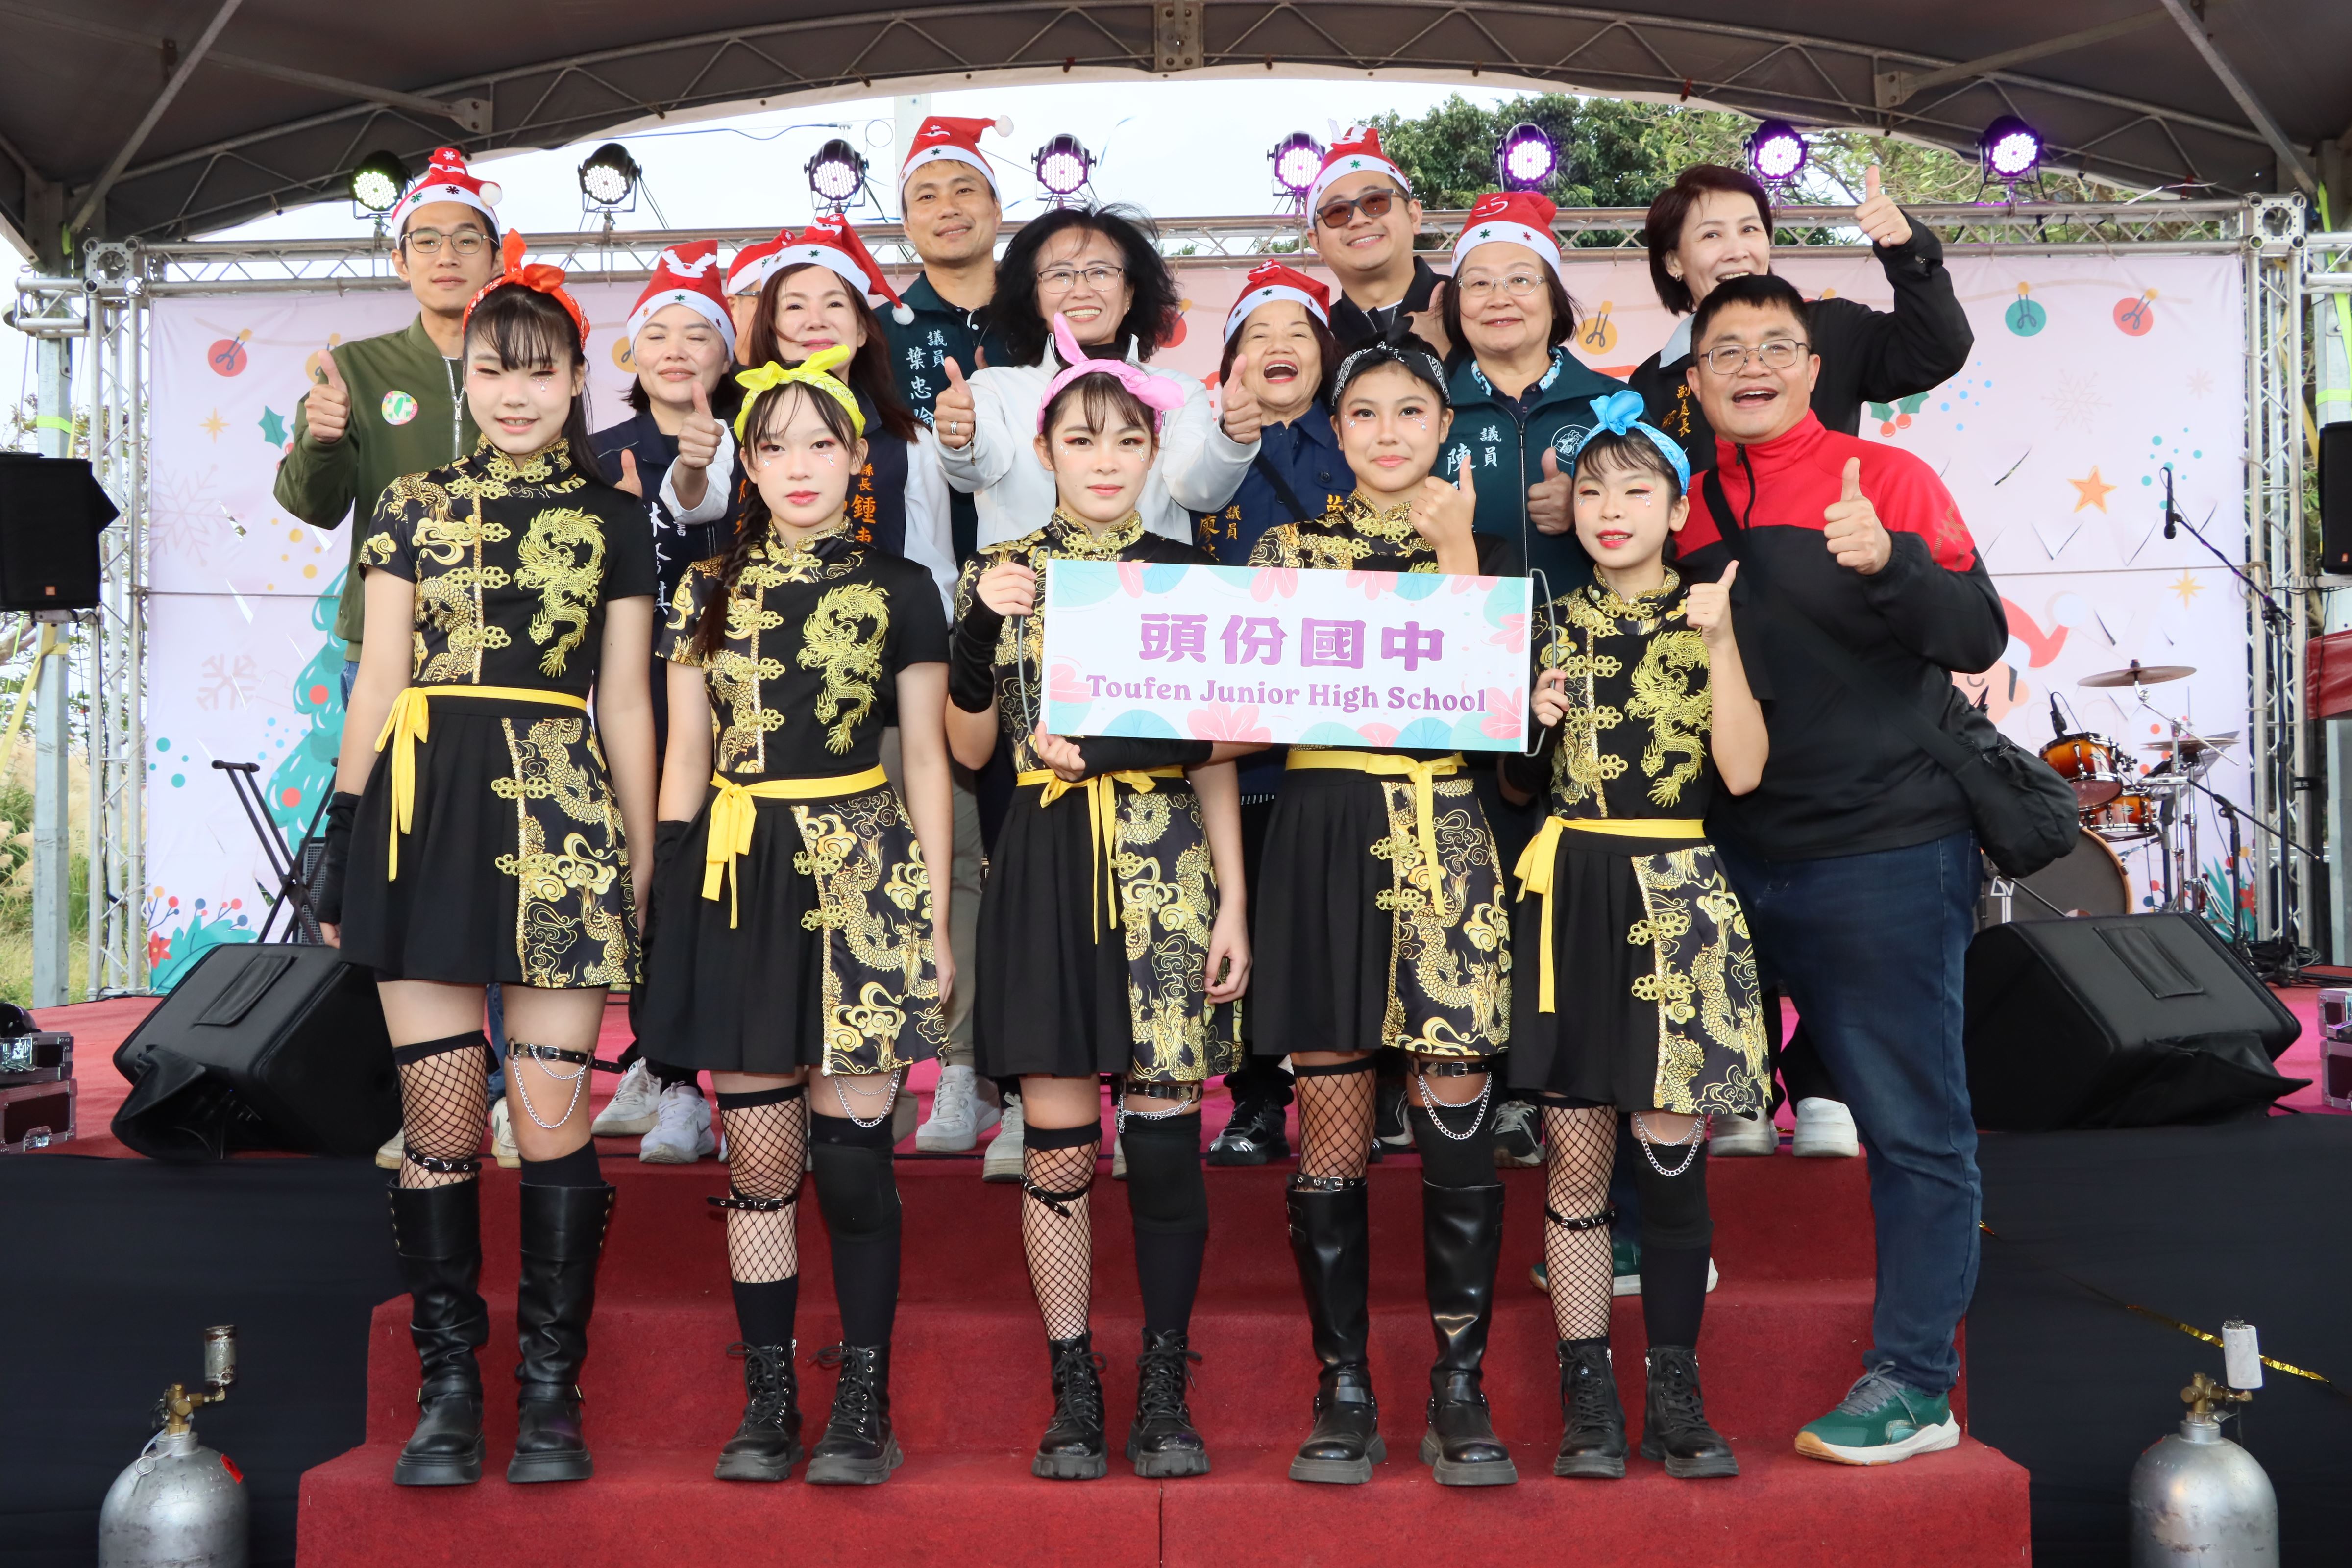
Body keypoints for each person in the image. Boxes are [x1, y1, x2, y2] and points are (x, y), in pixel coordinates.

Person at [310, 234, 658, 1487]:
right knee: (443, 1121)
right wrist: (341, 832)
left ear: (577, 381)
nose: (517, 392)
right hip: (419, 816)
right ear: (468, 376)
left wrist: (645, 859)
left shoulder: (617, 519)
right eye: (496, 369)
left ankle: (551, 1391)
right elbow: (377, 681)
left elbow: (628, 703)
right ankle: (448, 1388)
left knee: (553, 1118)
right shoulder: (411, 504)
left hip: (561, 819)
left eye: (541, 370)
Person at [1673, 272, 2003, 1465]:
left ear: (1815, 369)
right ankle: (1641, 1294)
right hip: (1725, 851)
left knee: (1914, 1128)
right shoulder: (1681, 504)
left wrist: (1889, 564)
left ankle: (1914, 1382)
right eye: (1726, 350)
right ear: (1694, 379)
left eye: (1777, 346)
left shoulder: (1887, 480)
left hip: (1885, 850)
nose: (1752, 366)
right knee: (1647, 1083)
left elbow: (1976, 635)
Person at [640, 352, 954, 1485]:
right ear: (747, 463)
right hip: (734, 876)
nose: (798, 465)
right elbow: (684, 755)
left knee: (856, 1161)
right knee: (761, 1158)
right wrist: (664, 900)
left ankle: (864, 1398)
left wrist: (934, 920)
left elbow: (927, 759)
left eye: (821, 442)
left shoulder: (902, 587)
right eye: (773, 446)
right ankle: (767, 1397)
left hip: (865, 866)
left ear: (858, 455)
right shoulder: (701, 589)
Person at [946, 325, 1251, 1481]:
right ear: (1045, 451)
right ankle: (1072, 1379)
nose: (1106, 458)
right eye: (1082, 439)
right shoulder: (1001, 569)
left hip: (1168, 863)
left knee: (1166, 1145)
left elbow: (1224, 745)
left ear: (1154, 450)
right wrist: (982, 623)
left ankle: (1165, 1378)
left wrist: (1233, 902)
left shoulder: (1186, 570)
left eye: (1127, 439)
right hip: (1044, 863)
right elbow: (966, 744)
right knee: (1061, 1148)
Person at [1632, 162, 1974, 1162]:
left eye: (1750, 228)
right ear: (1673, 264)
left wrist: (1906, 249)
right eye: (1710, 235)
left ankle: (1824, 1082)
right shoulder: (1646, 390)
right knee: (1734, 887)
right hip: (1726, 671)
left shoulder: (1832, 332)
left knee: (1845, 897)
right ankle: (1742, 1077)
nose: (1736, 248)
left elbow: (1936, 345)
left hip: (1848, 657)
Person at [1247, 334, 1520, 1488]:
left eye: (1413, 411)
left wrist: (1454, 551)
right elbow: (1240, 696)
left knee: (1455, 1100)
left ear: (1446, 428)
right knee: (1332, 1117)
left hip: (1445, 829)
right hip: (1321, 833)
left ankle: (1459, 1383)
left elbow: (1493, 714)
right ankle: (1343, 1383)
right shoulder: (1287, 548)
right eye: (1365, 412)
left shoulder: (1487, 548)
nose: (1389, 432)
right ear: (1335, 429)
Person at [1501, 390, 1767, 1482]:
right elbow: (1516, 786)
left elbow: (1743, 772)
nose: (1612, 511)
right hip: (1569, 891)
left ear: (1677, 507)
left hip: (1676, 890)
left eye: (1636, 491)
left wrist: (1724, 642)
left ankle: (1675, 1389)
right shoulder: (1544, 621)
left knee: (1669, 1154)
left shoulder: (1713, 614)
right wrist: (1533, 722)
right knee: (1574, 1158)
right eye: (1594, 491)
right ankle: (1587, 1392)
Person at [271, 147, 511, 1173]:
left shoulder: (522, 360)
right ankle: (421, 1087)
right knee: (388, 871)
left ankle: (505, 1085)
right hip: (389, 660)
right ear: (401, 259)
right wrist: (323, 439)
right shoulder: (357, 369)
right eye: (427, 241)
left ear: (497, 257)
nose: (447, 256)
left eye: (467, 239)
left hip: (506, 665)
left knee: (496, 867)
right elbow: (312, 503)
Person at [1192, 262, 1351, 1166]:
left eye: (1297, 332)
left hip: (1342, 736)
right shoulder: (1200, 445)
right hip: (1238, 733)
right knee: (1239, 906)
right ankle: (1255, 1098)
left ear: (1325, 354)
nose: (1278, 347)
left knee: (1337, 918)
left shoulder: (1360, 435)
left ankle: (1365, 1092)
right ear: (1231, 361)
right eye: (1258, 334)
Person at [588, 241, 742, 1158]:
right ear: (632, 353)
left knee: (739, 887)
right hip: (633, 695)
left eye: (699, 335)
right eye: (659, 334)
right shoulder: (592, 455)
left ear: (729, 355)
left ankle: (748, 1078)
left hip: (750, 694)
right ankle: (668, 1071)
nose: (677, 350)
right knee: (656, 882)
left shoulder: (769, 441)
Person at [932, 204, 1255, 550]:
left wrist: (1232, 439)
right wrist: (960, 438)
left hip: (1147, 582)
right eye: (1060, 275)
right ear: (1034, 298)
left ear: (1129, 293)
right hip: (1025, 582)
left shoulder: (1177, 392)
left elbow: (1200, 491)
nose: (1081, 290)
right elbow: (974, 472)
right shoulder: (997, 388)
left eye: (1100, 272)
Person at [1437, 191, 1624, 593]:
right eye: (1479, 283)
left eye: (1520, 280)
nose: (1499, 299)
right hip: (1467, 627)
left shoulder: (1616, 408)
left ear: (1553, 300)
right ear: (1457, 304)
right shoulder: (1428, 415)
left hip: (1598, 630)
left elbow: (1667, 526)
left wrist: (1587, 508)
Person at [1303, 127, 1452, 357]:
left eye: (1375, 202)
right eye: (1338, 212)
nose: (1359, 220)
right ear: (1317, 243)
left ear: (1413, 216)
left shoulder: (1469, 306)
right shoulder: (1314, 341)